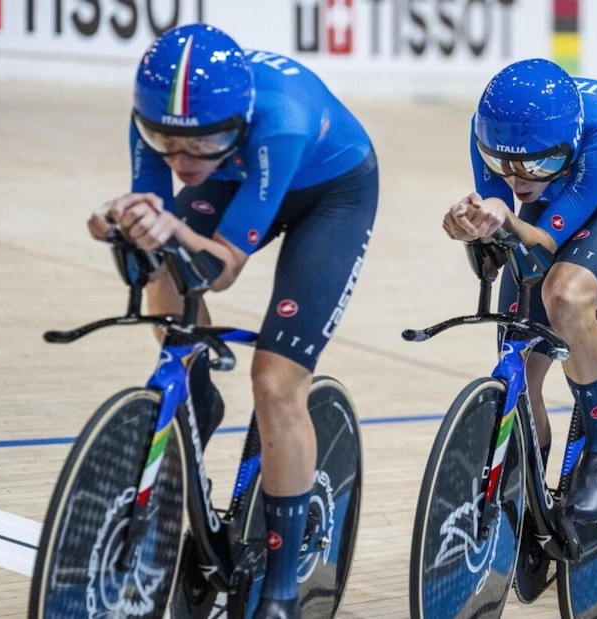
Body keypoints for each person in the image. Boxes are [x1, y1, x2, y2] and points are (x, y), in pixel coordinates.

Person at [86, 24, 378, 618]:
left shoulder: (281, 119)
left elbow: (220, 268)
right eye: (165, 143)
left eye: (201, 142)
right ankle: (194, 384)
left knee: (275, 383)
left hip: (330, 194)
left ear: (239, 121)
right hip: (237, 172)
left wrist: (166, 226)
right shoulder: (162, 125)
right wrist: (123, 223)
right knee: (161, 254)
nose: (180, 160)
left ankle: (281, 589)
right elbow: (155, 223)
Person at [441, 57, 597, 596]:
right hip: (559, 197)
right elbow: (503, 230)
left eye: (534, 164)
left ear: (568, 143)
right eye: (501, 163)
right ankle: (530, 496)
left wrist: (509, 219)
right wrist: (473, 225)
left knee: (565, 295)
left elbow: (543, 245)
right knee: (518, 358)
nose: (514, 177)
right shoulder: (498, 136)